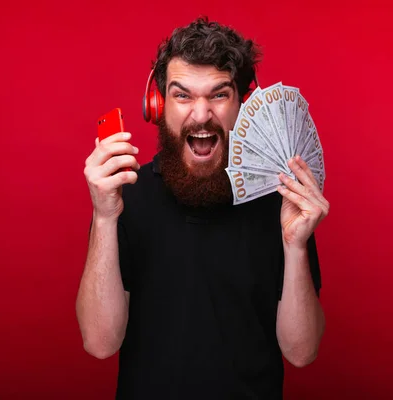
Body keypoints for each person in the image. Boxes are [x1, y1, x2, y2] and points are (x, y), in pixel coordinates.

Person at [76, 16, 329, 400]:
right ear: (156, 104)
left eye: (218, 94)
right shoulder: (125, 196)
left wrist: (294, 247)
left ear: (245, 104)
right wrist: (104, 216)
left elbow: (301, 353)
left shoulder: (281, 202)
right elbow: (99, 342)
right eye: (182, 95)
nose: (200, 114)